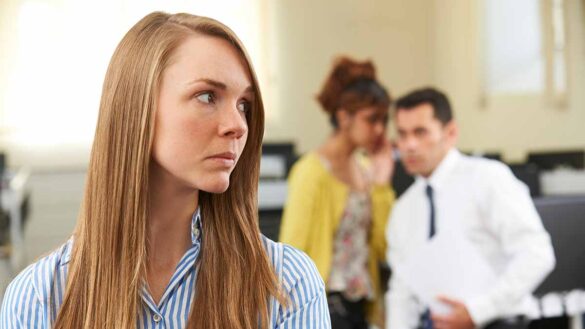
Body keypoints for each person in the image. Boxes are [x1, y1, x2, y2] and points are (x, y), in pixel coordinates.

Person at [0, 12, 330, 329]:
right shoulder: (39, 298)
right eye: (207, 96)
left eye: (244, 105)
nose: (238, 125)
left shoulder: (286, 285)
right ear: (137, 108)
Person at [385, 87, 555, 329]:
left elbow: (537, 254)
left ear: (451, 132)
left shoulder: (488, 178)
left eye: (420, 132)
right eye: (402, 134)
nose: (409, 145)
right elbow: (402, 293)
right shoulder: (403, 210)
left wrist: (477, 311)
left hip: (498, 322)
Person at [279, 57, 395, 329]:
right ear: (344, 117)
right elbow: (290, 251)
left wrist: (381, 186)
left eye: (383, 120)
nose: (380, 129)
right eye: (372, 119)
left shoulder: (368, 170)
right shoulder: (311, 172)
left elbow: (383, 246)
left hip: (361, 305)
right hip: (323, 305)